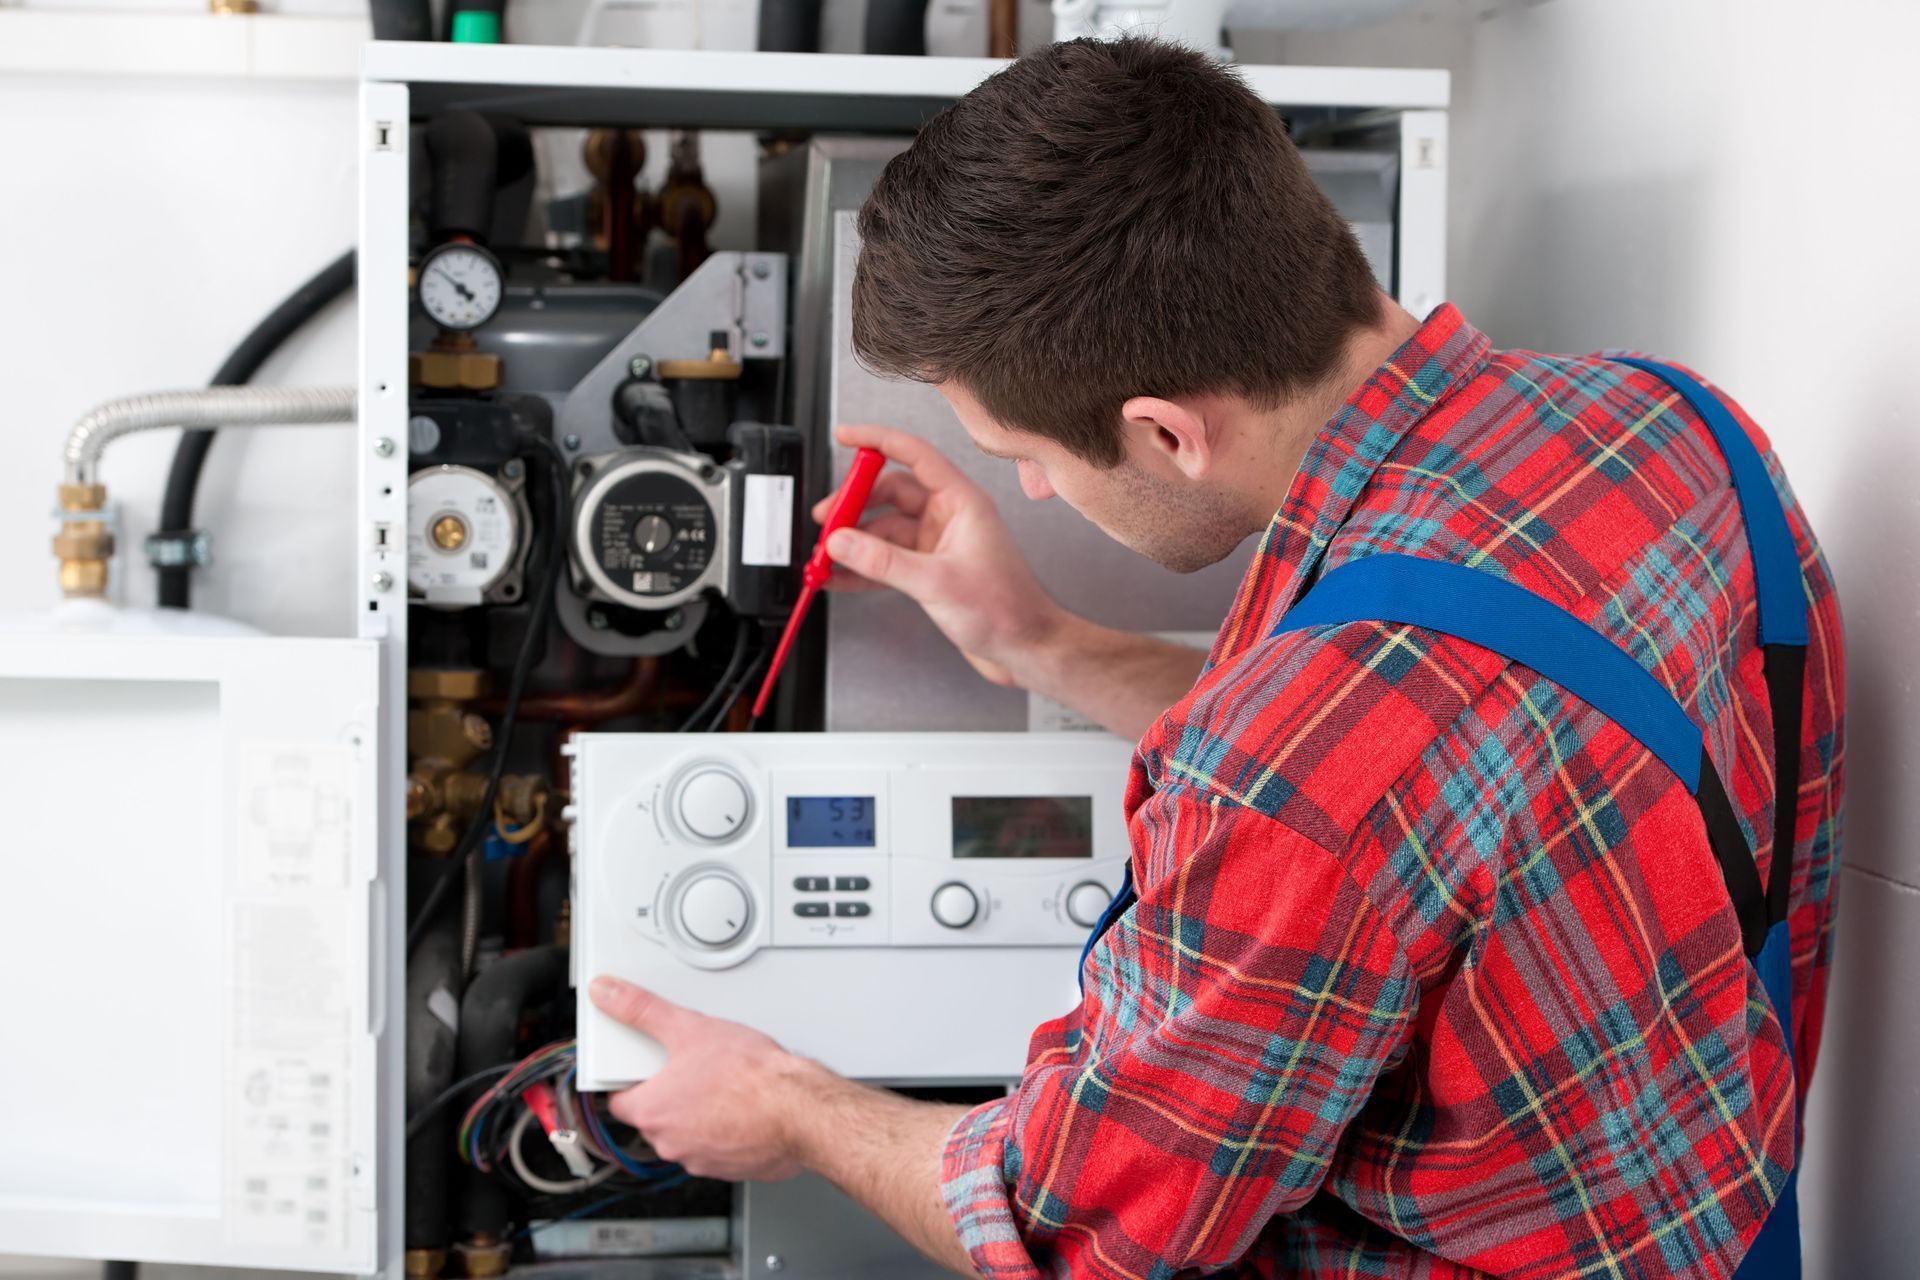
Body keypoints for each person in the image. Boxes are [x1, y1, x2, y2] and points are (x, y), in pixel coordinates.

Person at [587, 36, 1845, 1279]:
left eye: (1026, 452)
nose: (1025, 483)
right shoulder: (1674, 427)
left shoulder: (1296, 780)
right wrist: (1036, 641)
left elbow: (1074, 1226)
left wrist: (791, 1104)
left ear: (1165, 434)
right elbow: (1431, 786)